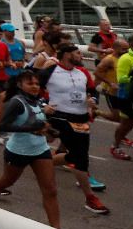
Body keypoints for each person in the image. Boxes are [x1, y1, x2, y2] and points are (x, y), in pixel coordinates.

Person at [40, 44, 111, 215]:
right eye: (77, 52)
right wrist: (43, 106)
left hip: (80, 119)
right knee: (80, 159)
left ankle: (43, 163)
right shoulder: (50, 72)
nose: (80, 55)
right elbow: (32, 91)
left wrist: (92, 100)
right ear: (66, 55)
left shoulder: (83, 72)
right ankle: (90, 198)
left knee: (75, 156)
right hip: (59, 117)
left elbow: (93, 91)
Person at [0, 71, 60, 227]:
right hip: (18, 151)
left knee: (50, 190)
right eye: (30, 84)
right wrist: (31, 128)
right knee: (6, 182)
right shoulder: (16, 102)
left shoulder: (38, 101)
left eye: (37, 83)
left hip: (40, 150)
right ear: (19, 85)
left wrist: (49, 129)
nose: (35, 87)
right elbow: (4, 127)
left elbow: (38, 122)